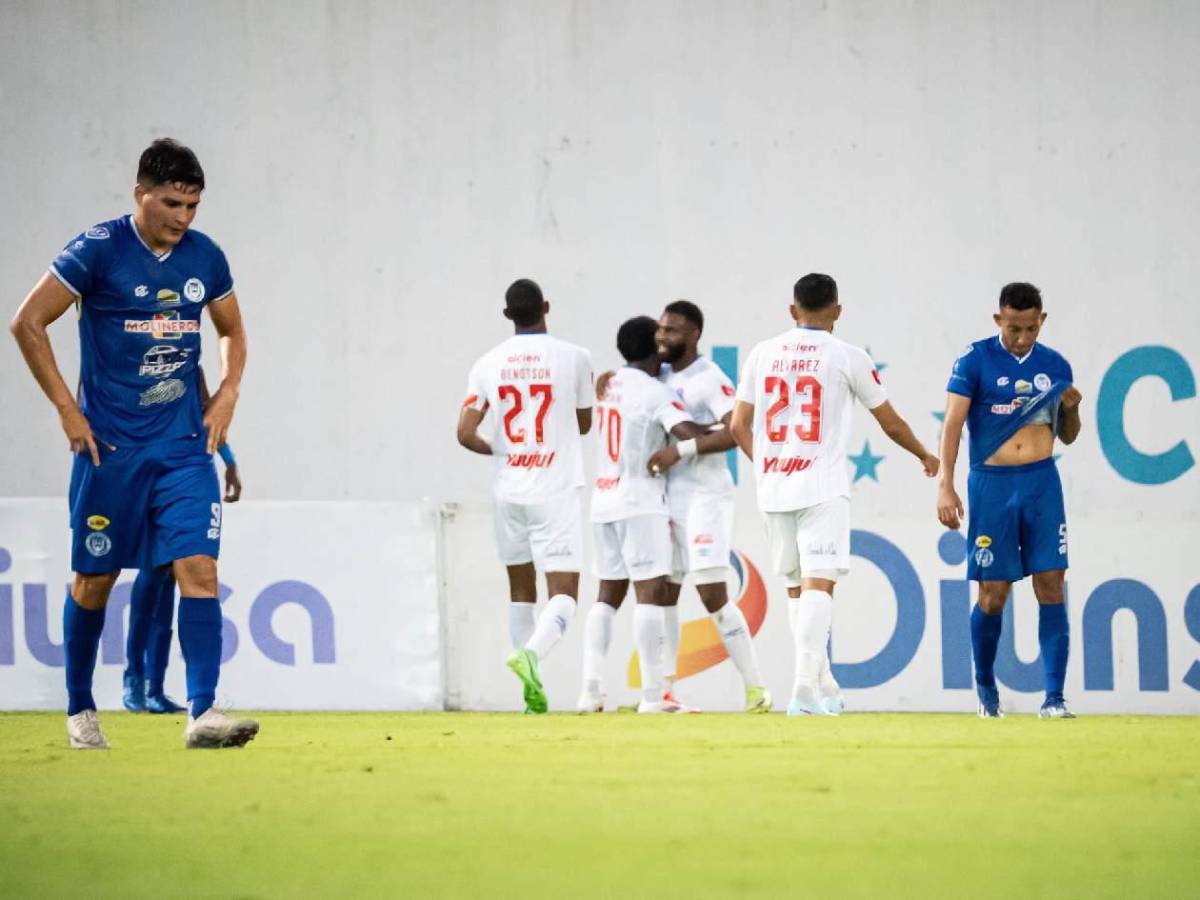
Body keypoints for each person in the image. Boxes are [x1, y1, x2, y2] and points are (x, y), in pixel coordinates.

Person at [9, 138, 258, 749]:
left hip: (181, 447)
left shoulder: (206, 258)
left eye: (193, 206)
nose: (182, 217)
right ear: (139, 194)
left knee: (199, 568)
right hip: (109, 450)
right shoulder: (98, 250)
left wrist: (227, 393)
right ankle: (79, 708)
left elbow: (232, 331)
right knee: (95, 580)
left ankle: (202, 712)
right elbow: (26, 322)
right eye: (172, 203)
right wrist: (68, 411)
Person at [730, 273, 939, 716]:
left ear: (792, 310)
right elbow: (889, 420)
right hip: (821, 487)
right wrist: (924, 453)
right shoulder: (848, 357)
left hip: (774, 488)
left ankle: (822, 684)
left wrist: (767, 464)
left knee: (795, 588)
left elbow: (737, 426)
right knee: (818, 585)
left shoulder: (762, 353)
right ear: (838, 311)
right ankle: (803, 690)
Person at [936, 282, 1081, 719]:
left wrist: (1072, 409)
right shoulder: (974, 359)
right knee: (993, 593)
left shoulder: (1055, 365)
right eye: (1014, 327)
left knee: (1051, 583)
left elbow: (1067, 436)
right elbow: (952, 424)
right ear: (998, 319)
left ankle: (1054, 698)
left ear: (1043, 322)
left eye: (1030, 328)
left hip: (1041, 483)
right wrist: (946, 482)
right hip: (991, 484)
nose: (1021, 337)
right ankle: (985, 687)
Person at [578, 316, 729, 714]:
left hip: (602, 501)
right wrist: (723, 425)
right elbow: (692, 437)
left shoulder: (609, 386)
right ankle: (651, 697)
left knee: (606, 598)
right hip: (639, 502)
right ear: (654, 349)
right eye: (660, 338)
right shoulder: (655, 393)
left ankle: (590, 690)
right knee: (650, 596)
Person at [457, 279, 593, 713]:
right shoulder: (575, 358)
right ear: (546, 307)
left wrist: (501, 449)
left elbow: (464, 433)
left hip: (509, 489)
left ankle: (529, 698)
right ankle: (530, 654)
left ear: (506, 316)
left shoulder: (487, 363)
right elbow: (584, 424)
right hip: (554, 488)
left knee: (520, 589)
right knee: (566, 593)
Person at [642, 300, 770, 713]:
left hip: (705, 496)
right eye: (661, 329)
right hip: (667, 498)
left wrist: (681, 449)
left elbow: (736, 430)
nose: (662, 337)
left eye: (672, 331)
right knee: (664, 592)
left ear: (694, 334)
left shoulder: (708, 378)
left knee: (712, 593)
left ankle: (756, 689)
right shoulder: (656, 375)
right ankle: (664, 691)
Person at [123, 433, 241, 714]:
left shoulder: (187, 394)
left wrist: (229, 460)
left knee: (168, 582)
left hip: (181, 486)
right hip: (148, 481)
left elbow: (207, 415)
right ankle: (134, 679)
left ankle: (155, 689)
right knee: (151, 578)